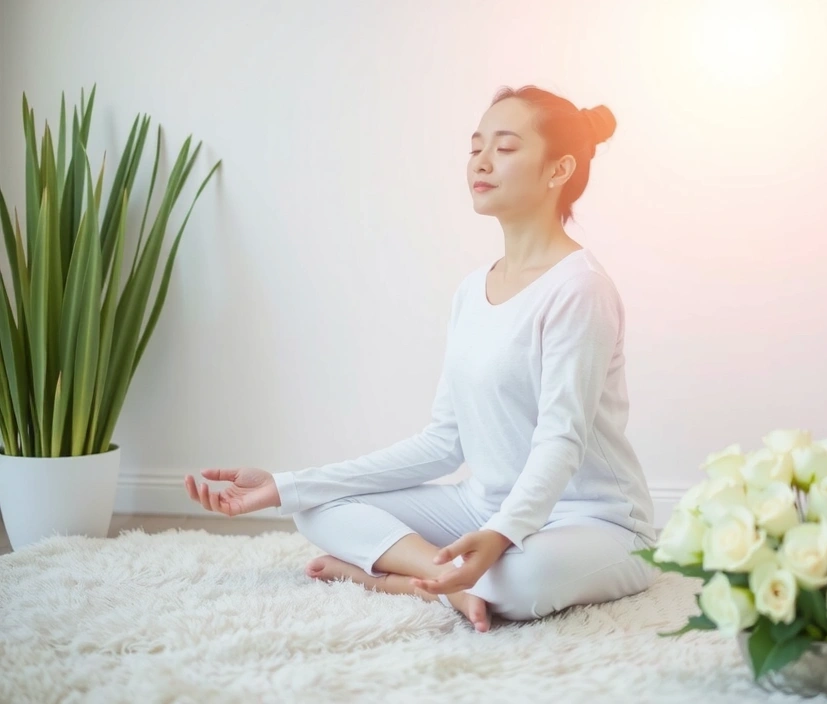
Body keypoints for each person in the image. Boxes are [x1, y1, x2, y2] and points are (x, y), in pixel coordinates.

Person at [185, 85, 659, 633]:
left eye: (505, 148)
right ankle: (437, 582)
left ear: (558, 170)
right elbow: (442, 442)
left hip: (595, 522)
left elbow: (561, 440)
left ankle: (388, 577)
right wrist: (288, 484)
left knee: (520, 582)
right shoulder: (471, 290)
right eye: (476, 145)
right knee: (317, 507)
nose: (480, 161)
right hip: (479, 506)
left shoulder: (580, 289)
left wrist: (505, 534)